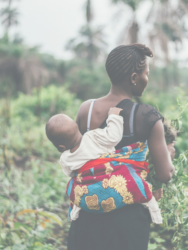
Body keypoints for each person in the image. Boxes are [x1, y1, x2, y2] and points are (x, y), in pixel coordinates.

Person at [66, 43, 175, 250]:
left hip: (87, 213)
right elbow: (165, 174)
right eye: (146, 74)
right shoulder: (147, 116)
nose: (147, 79)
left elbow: (77, 156)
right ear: (134, 78)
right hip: (128, 221)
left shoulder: (86, 110)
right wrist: (168, 152)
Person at [45, 107, 162, 224]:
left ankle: (75, 210)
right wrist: (113, 116)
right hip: (111, 179)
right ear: (76, 126)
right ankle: (153, 208)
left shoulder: (65, 158)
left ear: (61, 147)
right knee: (134, 181)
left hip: (89, 192)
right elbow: (114, 136)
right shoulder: (93, 136)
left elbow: (70, 173)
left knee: (73, 186)